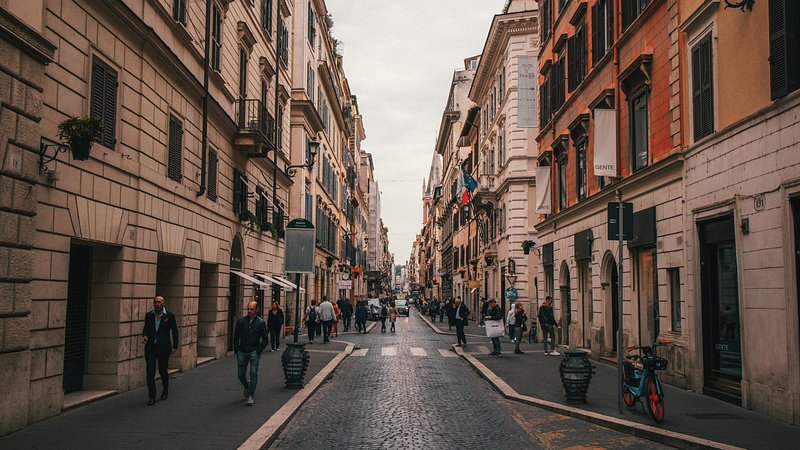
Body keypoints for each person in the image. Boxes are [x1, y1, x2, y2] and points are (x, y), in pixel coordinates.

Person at [141, 295, 179, 405]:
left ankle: (165, 390)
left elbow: (175, 331)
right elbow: (146, 329)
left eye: (159, 302)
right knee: (150, 372)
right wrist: (145, 336)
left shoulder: (169, 316)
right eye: (155, 302)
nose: (157, 304)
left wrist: (175, 346)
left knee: (163, 370)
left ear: (163, 303)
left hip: (163, 348)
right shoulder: (149, 316)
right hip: (151, 348)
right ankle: (151, 396)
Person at [233, 301, 269, 406]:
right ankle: (247, 386)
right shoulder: (241, 321)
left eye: (252, 309)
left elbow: (265, 339)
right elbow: (236, 336)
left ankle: (251, 396)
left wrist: (258, 350)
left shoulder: (260, 323)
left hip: (254, 351)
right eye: (248, 308)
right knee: (240, 374)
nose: (249, 311)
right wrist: (237, 349)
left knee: (253, 373)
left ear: (257, 310)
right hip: (242, 351)